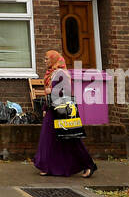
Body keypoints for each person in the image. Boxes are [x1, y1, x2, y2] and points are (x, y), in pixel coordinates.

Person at [32, 49, 98, 178]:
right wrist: (46, 107)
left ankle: (88, 164)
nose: (45, 61)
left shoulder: (61, 73)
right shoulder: (51, 73)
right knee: (49, 138)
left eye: (47, 59)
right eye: (44, 59)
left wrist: (51, 90)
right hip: (52, 109)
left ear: (54, 60)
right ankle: (47, 166)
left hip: (61, 111)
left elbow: (66, 91)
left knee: (70, 138)